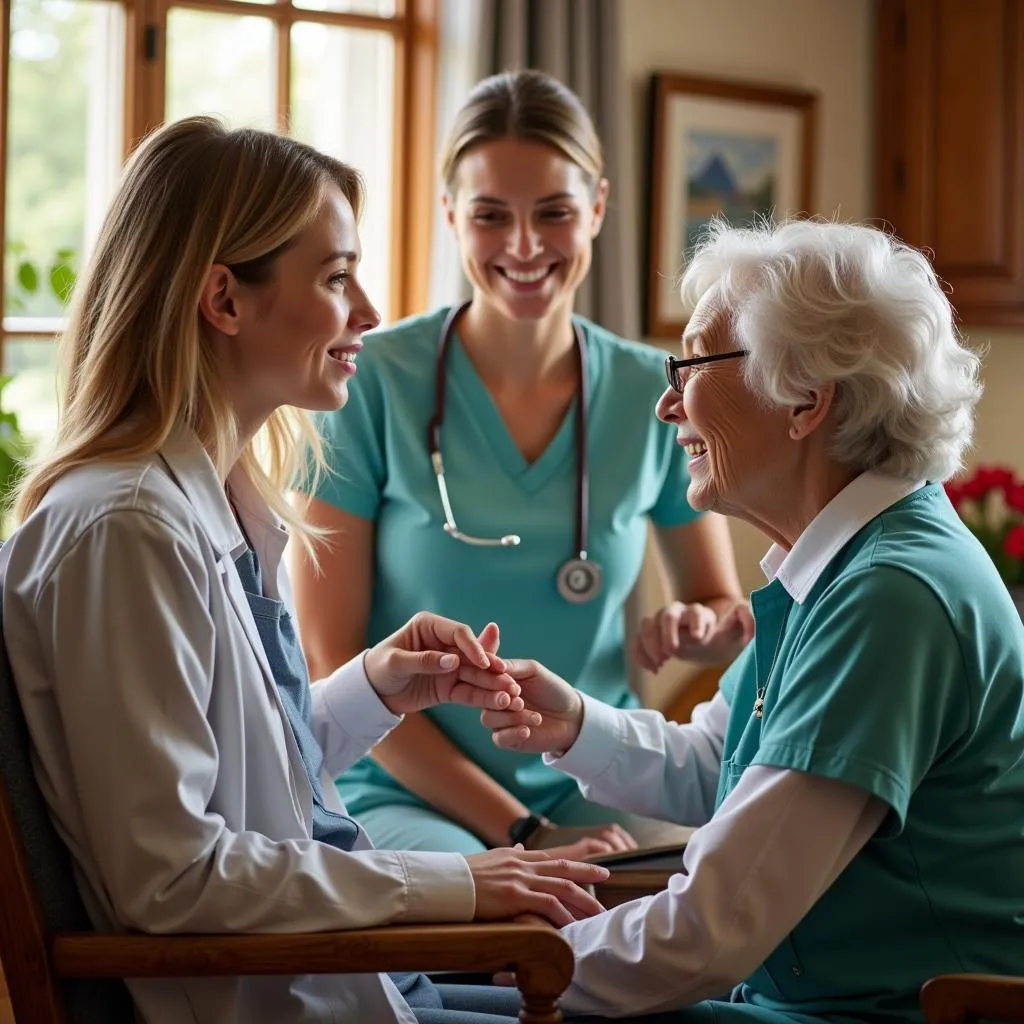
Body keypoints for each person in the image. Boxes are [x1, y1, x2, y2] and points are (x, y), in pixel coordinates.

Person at [0, 116, 613, 1024]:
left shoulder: (210, 500)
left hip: (364, 980)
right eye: (335, 278)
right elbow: (171, 879)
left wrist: (375, 685)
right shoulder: (124, 529)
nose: (368, 311)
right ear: (225, 300)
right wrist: (460, 884)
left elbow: (250, 781)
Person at [478, 219, 1024, 1023]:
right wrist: (572, 724)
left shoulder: (890, 597)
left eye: (692, 363)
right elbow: (720, 765)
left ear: (807, 400)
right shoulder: (844, 566)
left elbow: (709, 930)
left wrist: (495, 962)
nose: (667, 403)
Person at [291, 69, 750, 860]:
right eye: (491, 216)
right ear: (450, 218)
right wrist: (523, 832)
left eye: (555, 213)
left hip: (601, 780)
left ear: (598, 207)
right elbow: (330, 662)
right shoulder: (367, 383)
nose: (525, 246)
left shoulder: (658, 390)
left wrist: (697, 628)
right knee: (510, 926)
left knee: (732, 893)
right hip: (402, 789)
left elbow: (720, 612)